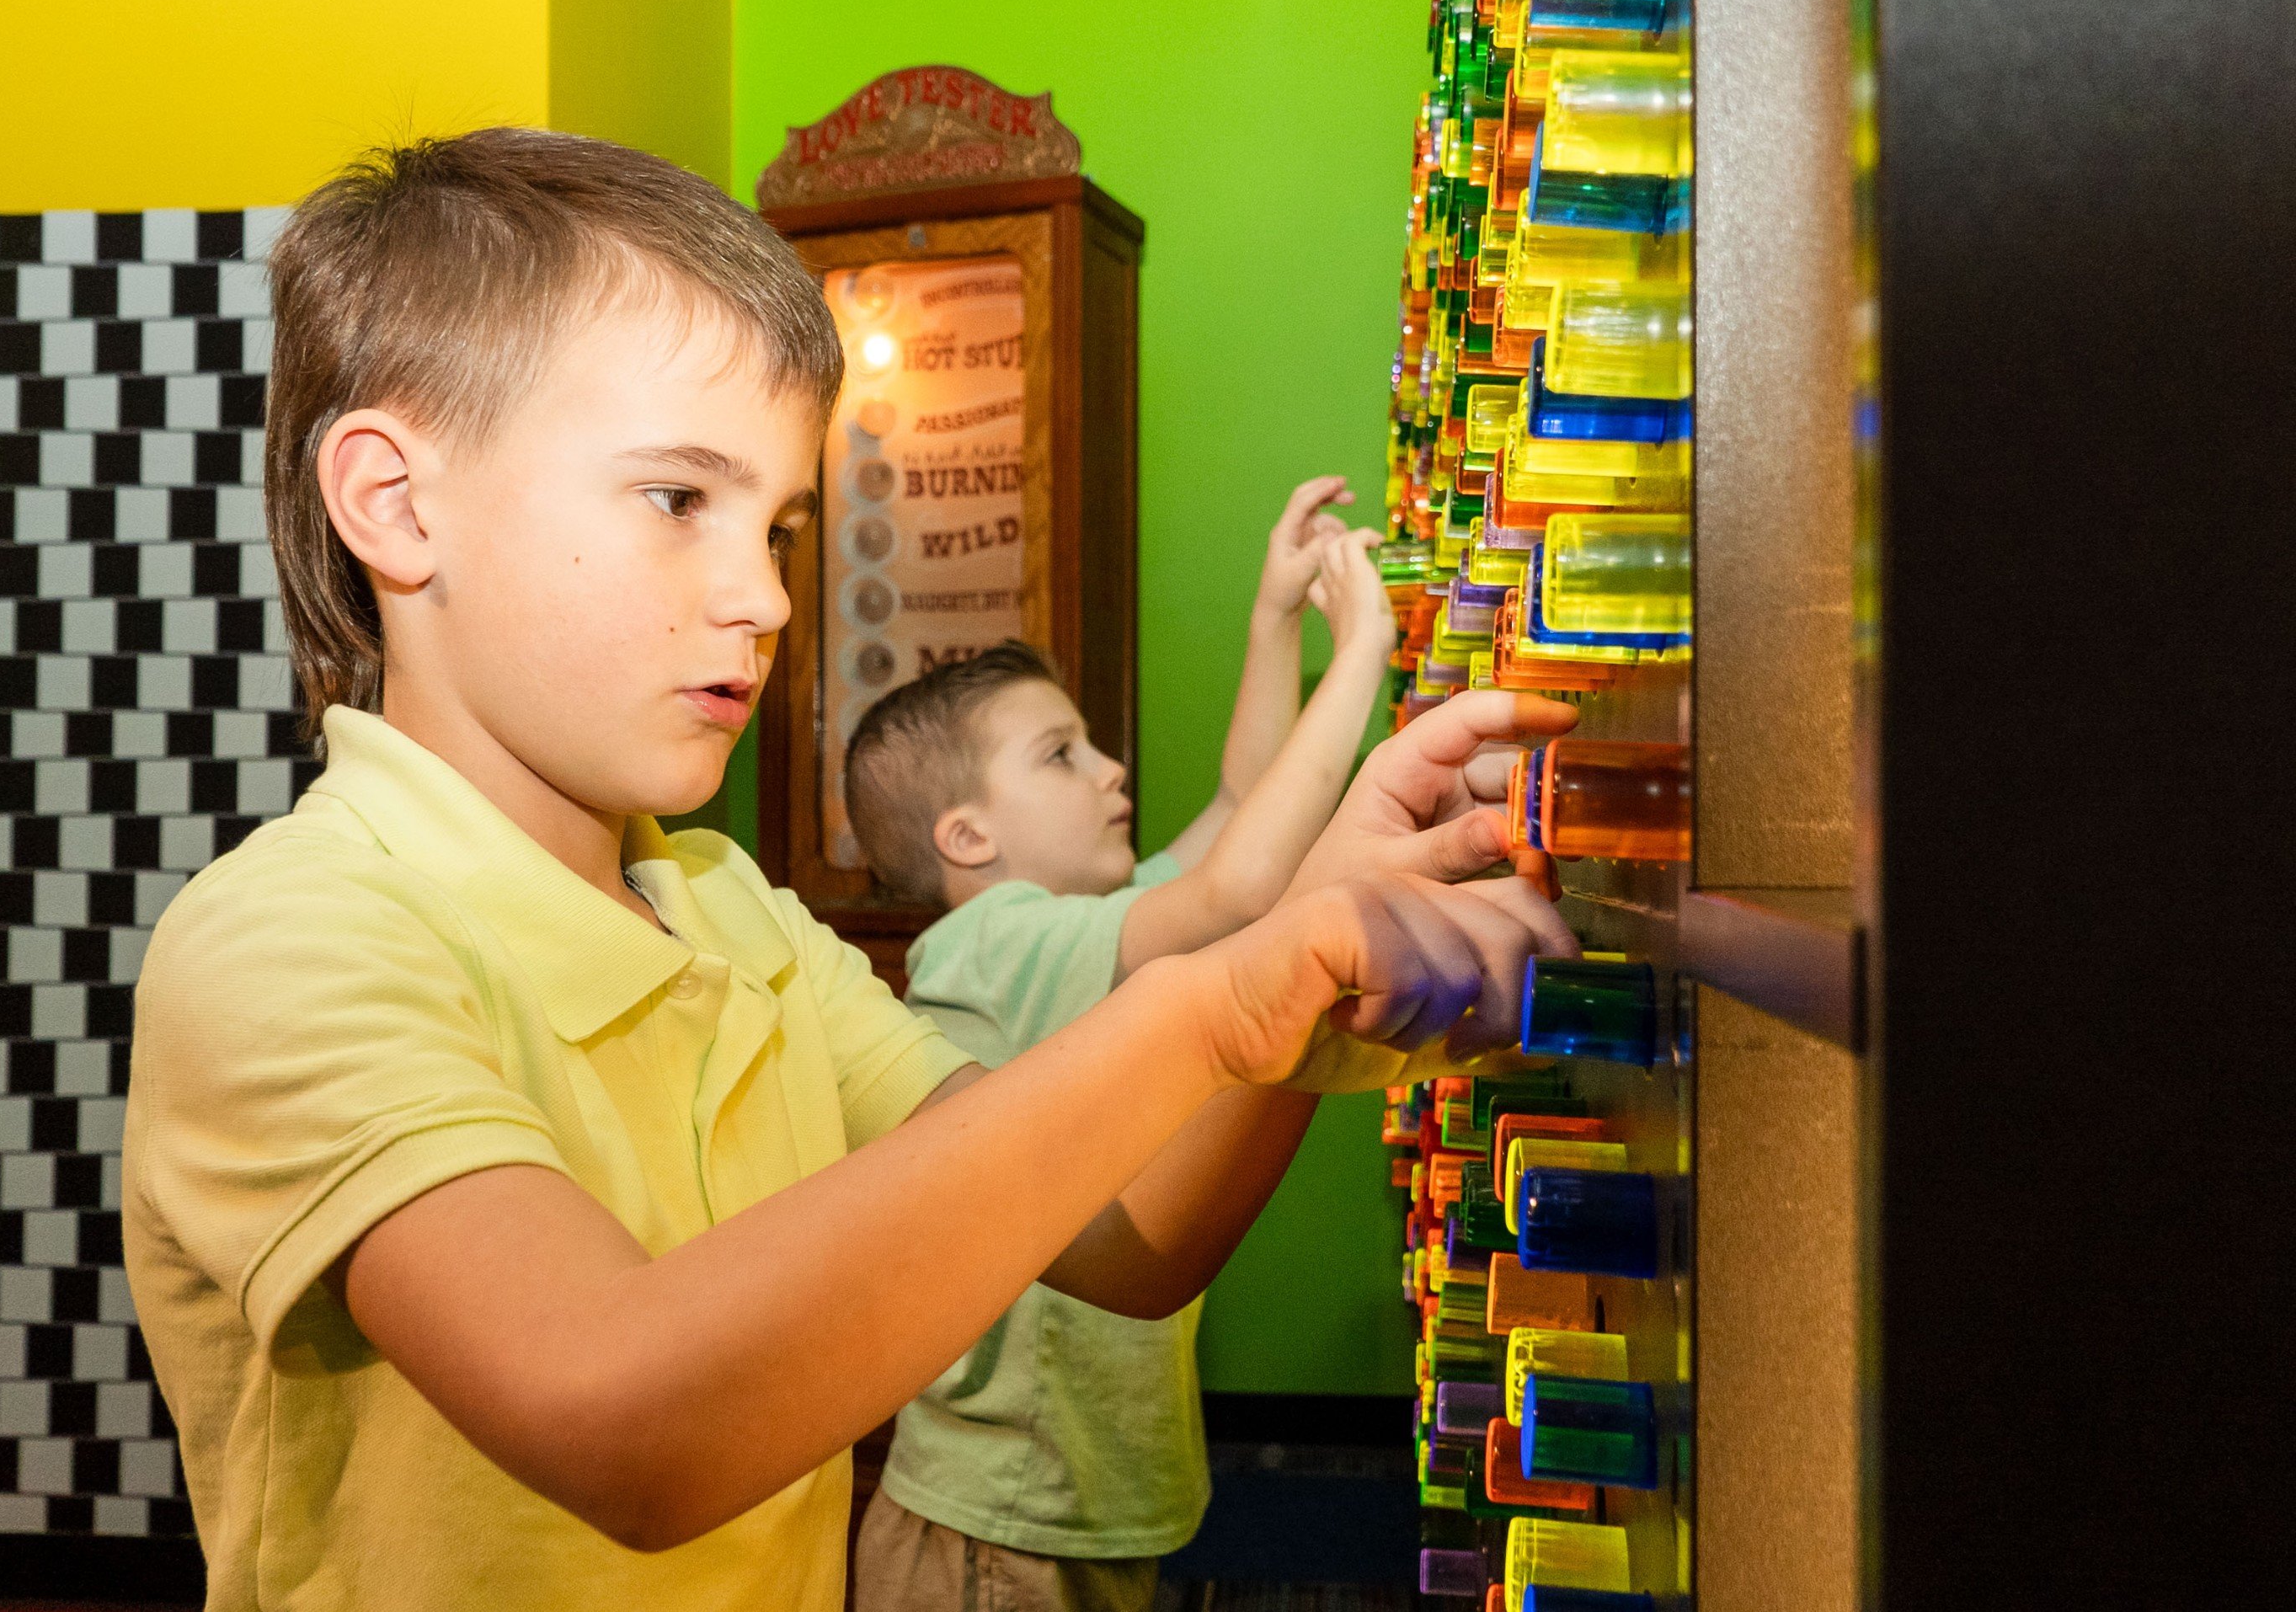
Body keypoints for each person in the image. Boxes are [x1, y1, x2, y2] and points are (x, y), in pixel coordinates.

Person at [120, 126, 1576, 1612]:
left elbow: (1122, 1241)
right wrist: (1212, 1005)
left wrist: (1315, 962)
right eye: (678, 500)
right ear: (394, 501)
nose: (763, 597)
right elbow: (629, 1422)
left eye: (779, 528)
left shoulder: (729, 911)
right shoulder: (287, 939)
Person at [840, 494, 1571, 1612]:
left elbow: (1241, 806)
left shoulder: (1099, 923)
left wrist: (1276, 620)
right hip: (995, 1524)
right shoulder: (988, 945)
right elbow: (1242, 885)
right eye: (1061, 755)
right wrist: (1360, 650)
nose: (1109, 770)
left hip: (1069, 1498)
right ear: (967, 838)